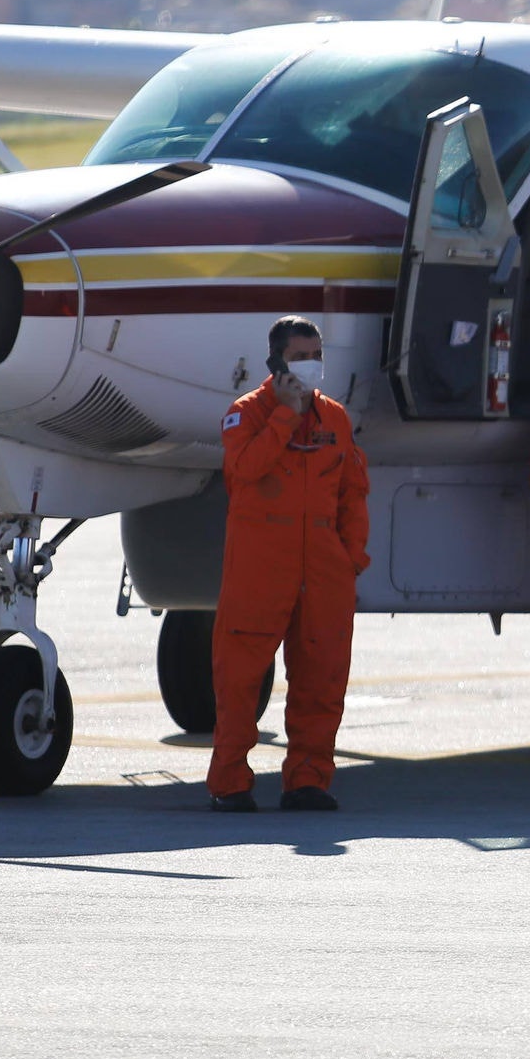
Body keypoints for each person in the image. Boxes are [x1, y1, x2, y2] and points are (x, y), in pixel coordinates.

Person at [207, 316, 369, 813]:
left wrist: (349, 559)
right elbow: (244, 471)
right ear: (275, 361)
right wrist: (283, 414)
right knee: (239, 681)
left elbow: (352, 493)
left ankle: (308, 781)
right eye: (300, 355)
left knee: (322, 680)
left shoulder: (335, 419)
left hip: (323, 572)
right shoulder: (245, 413)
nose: (311, 364)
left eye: (316, 354)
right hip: (260, 570)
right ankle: (230, 782)